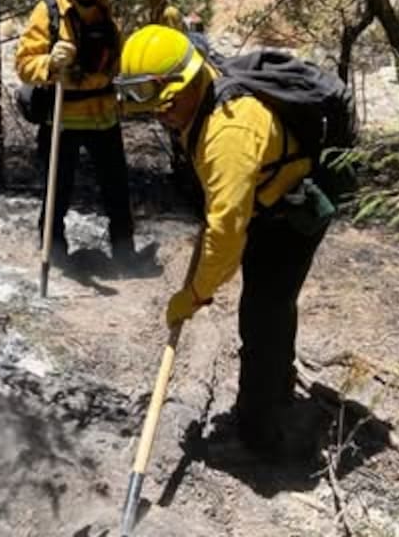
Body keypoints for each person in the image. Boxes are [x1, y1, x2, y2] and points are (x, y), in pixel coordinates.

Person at [115, 24, 335, 459]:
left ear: (189, 81)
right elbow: (225, 206)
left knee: (262, 317)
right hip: (264, 206)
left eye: (165, 105)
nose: (159, 116)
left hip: (290, 217)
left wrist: (194, 293)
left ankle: (261, 438)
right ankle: (277, 392)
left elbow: (226, 235)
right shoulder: (200, 93)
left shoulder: (228, 134)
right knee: (269, 308)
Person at [15, 0, 135, 263]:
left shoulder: (104, 8)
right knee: (57, 194)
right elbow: (24, 64)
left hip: (104, 115)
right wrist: (50, 65)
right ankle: (53, 255)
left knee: (117, 192)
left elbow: (116, 54)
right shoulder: (48, 12)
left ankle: (126, 256)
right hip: (62, 119)